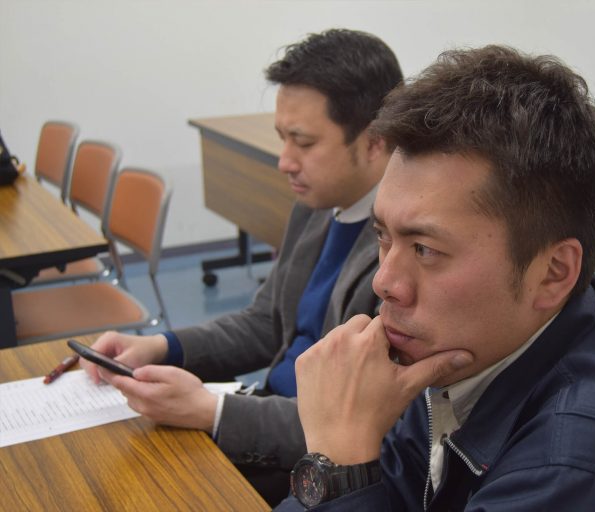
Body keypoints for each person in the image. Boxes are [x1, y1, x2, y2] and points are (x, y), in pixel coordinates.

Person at [277, 46, 595, 510]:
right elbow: (405, 485)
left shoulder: (573, 471)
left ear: (554, 273)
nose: (385, 282)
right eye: (383, 236)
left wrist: (339, 461)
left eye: (425, 249)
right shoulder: (474, 342)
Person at [80, 28, 403, 505]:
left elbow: (361, 425)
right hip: (269, 412)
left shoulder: (400, 256)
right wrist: (160, 346)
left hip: (315, 458)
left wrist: (213, 412)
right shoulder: (317, 207)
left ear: (375, 141)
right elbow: (265, 323)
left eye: (303, 142)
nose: (284, 162)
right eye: (282, 139)